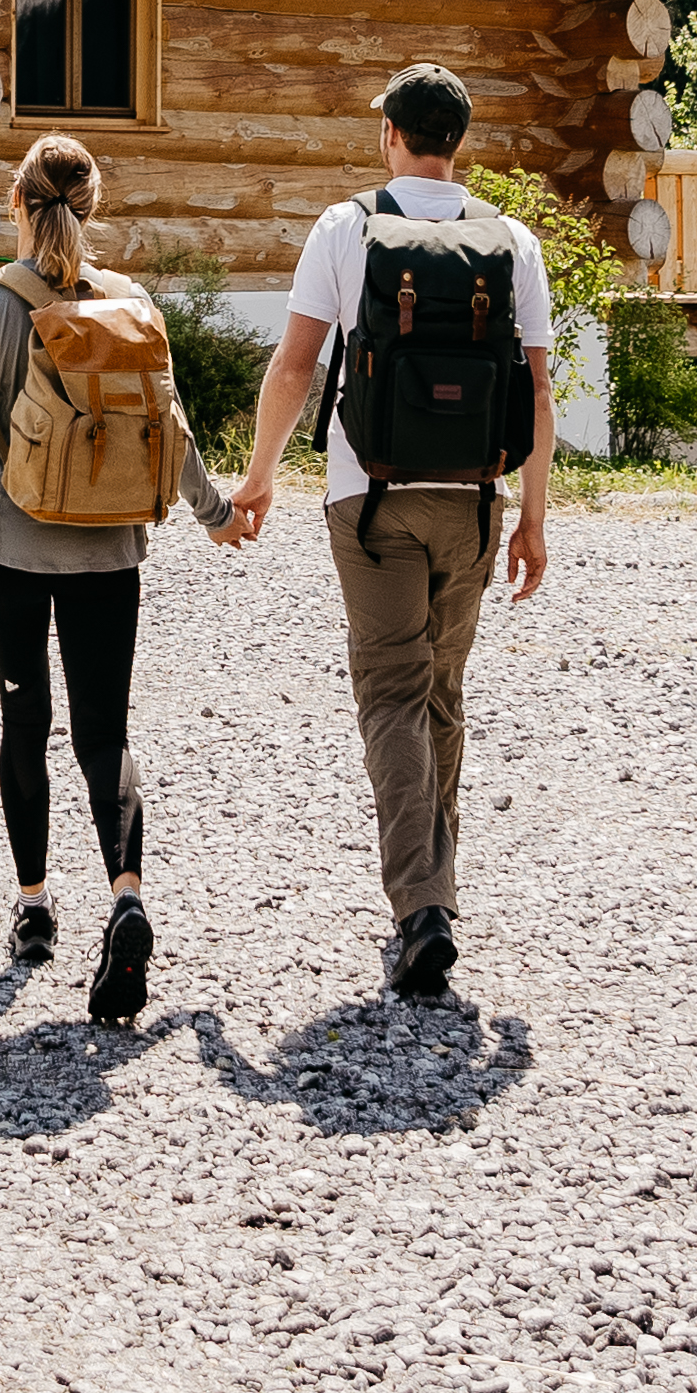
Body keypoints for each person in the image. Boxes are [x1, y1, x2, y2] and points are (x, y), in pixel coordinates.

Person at [227, 61, 555, 999]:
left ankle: (420, 908)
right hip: (474, 499)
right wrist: (532, 516)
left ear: (389, 135)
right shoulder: (513, 243)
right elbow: (535, 388)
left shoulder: (347, 226)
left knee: (391, 692)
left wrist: (259, 475)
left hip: (364, 498)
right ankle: (434, 890)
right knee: (439, 690)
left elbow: (295, 368)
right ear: (458, 142)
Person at [0, 131, 248, 1026]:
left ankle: (32, 913)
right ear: (93, 207)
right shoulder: (133, 304)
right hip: (112, 553)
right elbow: (170, 424)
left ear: (17, 206)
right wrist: (214, 514)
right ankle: (127, 897)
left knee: (25, 722)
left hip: (13, 557)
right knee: (105, 732)